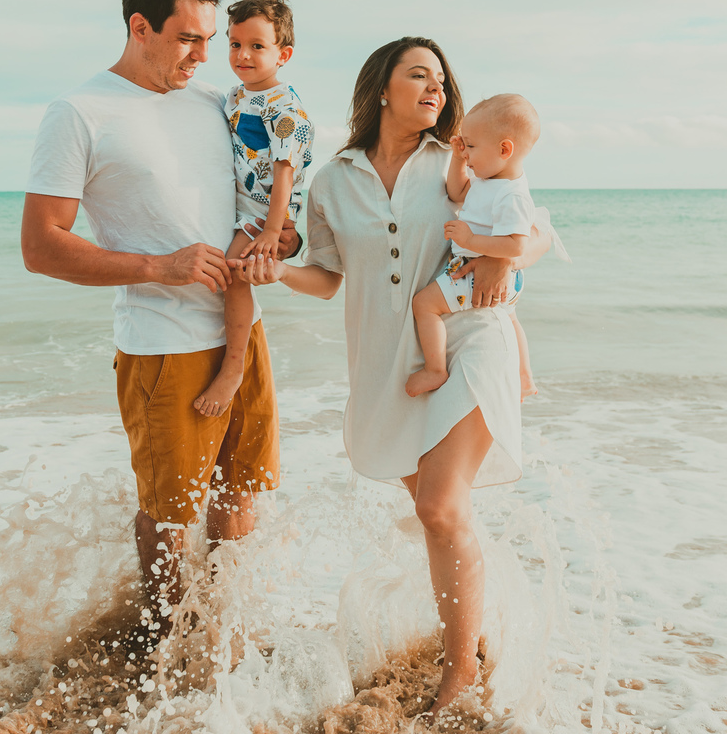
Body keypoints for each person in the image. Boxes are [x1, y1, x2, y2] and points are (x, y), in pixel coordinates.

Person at [231, 37, 554, 716]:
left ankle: (461, 668)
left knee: (439, 505)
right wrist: (275, 271)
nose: (436, 88)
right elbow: (326, 278)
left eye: (440, 78)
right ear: (382, 88)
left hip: (469, 341)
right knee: (442, 516)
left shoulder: (460, 158)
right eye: (419, 75)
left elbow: (538, 226)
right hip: (387, 361)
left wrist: (508, 258)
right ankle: (481, 636)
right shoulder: (332, 181)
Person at [19, 0, 299, 641]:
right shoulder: (79, 112)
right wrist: (158, 265)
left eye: (211, 39)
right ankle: (162, 648)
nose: (207, 56)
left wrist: (281, 243)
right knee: (170, 515)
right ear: (139, 28)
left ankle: (222, 636)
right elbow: (41, 246)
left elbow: (261, 203)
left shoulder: (212, 102)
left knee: (240, 495)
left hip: (242, 334)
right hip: (162, 345)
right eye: (187, 39)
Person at [193, 0, 314, 417]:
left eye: (257, 46)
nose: (242, 55)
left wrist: (269, 229)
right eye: (234, 43)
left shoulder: (283, 108)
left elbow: (285, 174)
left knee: (233, 273)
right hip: (242, 203)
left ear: (283, 54)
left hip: (265, 210)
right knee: (233, 272)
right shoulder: (235, 96)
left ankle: (233, 366)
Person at [406, 93, 569, 400]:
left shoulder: (512, 195)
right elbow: (457, 191)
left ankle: (435, 368)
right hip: (494, 275)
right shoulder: (490, 179)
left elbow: (515, 246)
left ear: (504, 149)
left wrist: (469, 241)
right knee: (510, 318)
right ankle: (525, 378)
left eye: (471, 146)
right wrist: (458, 159)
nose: (466, 153)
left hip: (473, 273)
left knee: (424, 305)